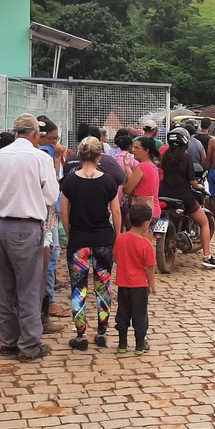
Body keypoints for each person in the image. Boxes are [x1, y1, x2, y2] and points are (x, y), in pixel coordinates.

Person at [0, 113, 58, 362]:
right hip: (27, 228)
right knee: (29, 288)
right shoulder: (40, 157)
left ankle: (8, 341)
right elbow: (50, 196)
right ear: (36, 134)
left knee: (4, 287)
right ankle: (29, 345)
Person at [60, 136, 122, 350]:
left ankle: (81, 336)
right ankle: (102, 332)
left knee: (79, 289)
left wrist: (70, 235)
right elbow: (115, 211)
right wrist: (116, 237)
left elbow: (64, 212)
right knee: (103, 287)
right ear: (98, 157)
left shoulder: (69, 180)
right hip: (103, 239)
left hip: (79, 241)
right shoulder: (108, 181)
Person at [159, 127, 215, 269]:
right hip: (183, 195)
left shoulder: (165, 156)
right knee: (204, 222)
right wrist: (200, 186)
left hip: (163, 193)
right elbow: (192, 181)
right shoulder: (186, 157)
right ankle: (207, 257)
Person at [37, 116, 70, 323]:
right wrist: (57, 158)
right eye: (52, 138)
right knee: (50, 260)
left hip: (47, 212)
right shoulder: (44, 154)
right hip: (45, 214)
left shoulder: (45, 151)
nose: (55, 142)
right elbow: (54, 183)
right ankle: (48, 302)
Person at [113, 202, 156, 355]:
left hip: (123, 284)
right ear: (146, 223)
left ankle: (122, 344)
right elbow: (150, 266)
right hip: (139, 285)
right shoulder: (146, 244)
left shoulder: (121, 239)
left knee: (122, 313)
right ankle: (139, 345)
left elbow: (115, 257)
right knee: (140, 315)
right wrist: (152, 285)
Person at [123, 135, 161, 240]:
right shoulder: (151, 166)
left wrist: (123, 188)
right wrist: (127, 166)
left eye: (136, 148)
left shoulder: (142, 167)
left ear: (146, 151)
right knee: (146, 244)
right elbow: (136, 181)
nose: (133, 150)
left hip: (142, 212)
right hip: (153, 209)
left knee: (140, 245)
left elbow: (128, 189)